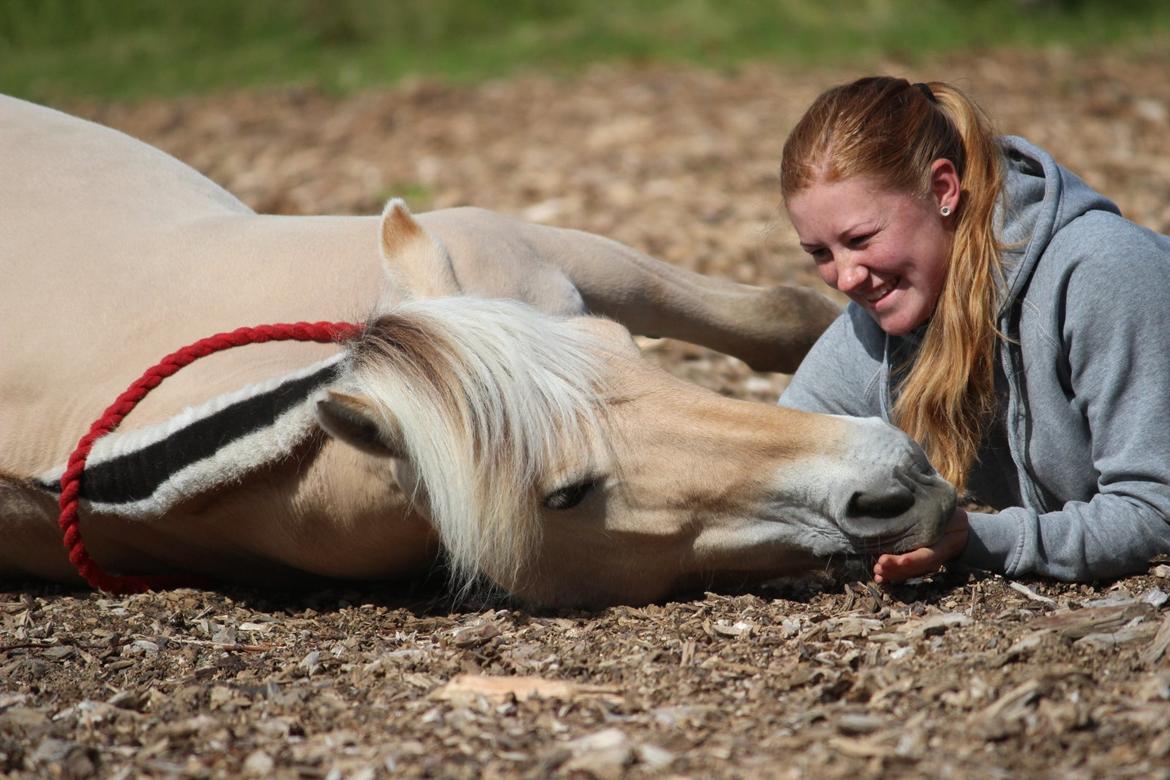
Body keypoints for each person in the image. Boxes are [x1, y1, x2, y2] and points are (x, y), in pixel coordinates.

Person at [776, 76, 1170, 584]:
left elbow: (1157, 510)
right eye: (820, 254)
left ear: (943, 189)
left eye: (861, 238)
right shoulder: (880, 325)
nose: (846, 277)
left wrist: (978, 538)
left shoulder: (1102, 271)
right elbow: (775, 463)